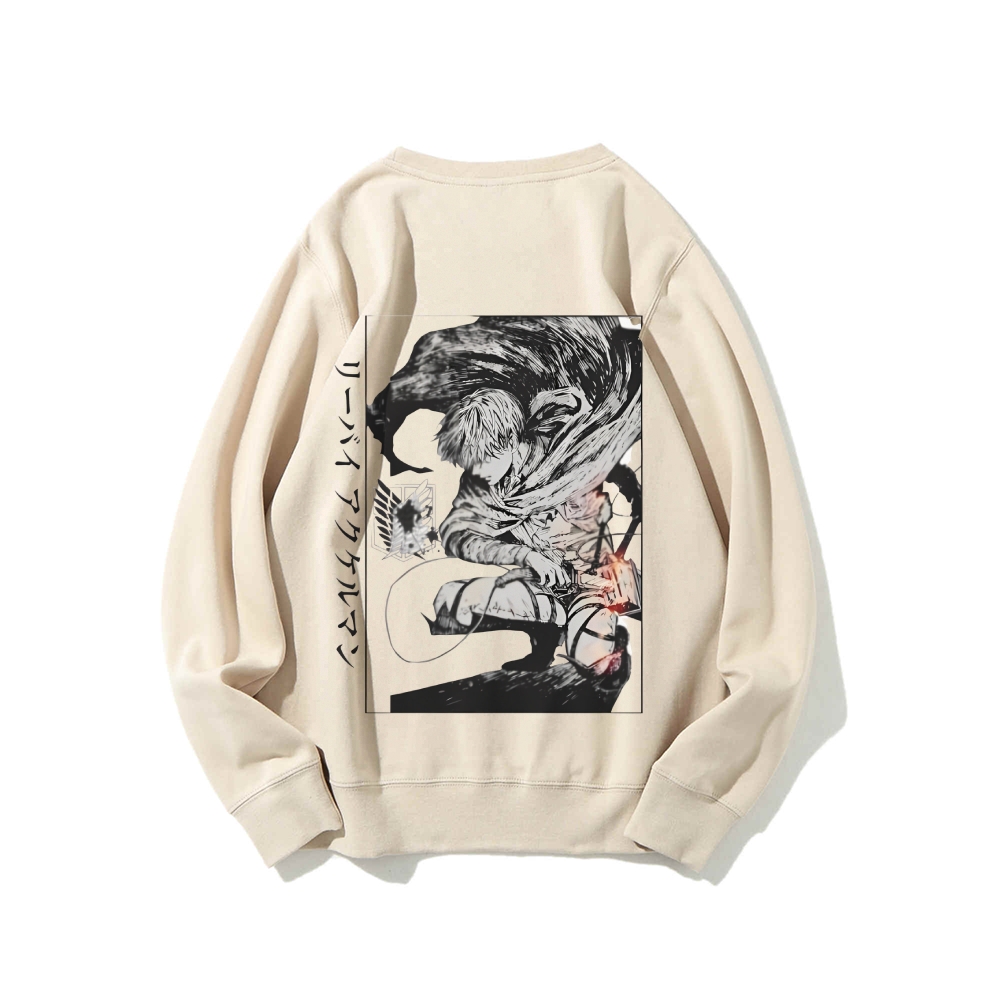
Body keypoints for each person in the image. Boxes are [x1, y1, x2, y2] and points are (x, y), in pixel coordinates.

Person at [428, 382, 641, 683]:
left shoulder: (561, 449)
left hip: (593, 584)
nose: (474, 473)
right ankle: (546, 640)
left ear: (509, 442)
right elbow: (456, 534)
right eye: (468, 464)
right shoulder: (479, 484)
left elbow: (603, 457)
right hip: (543, 584)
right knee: (451, 600)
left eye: (480, 461)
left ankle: (600, 633)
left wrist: (631, 489)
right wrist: (525, 556)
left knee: (594, 662)